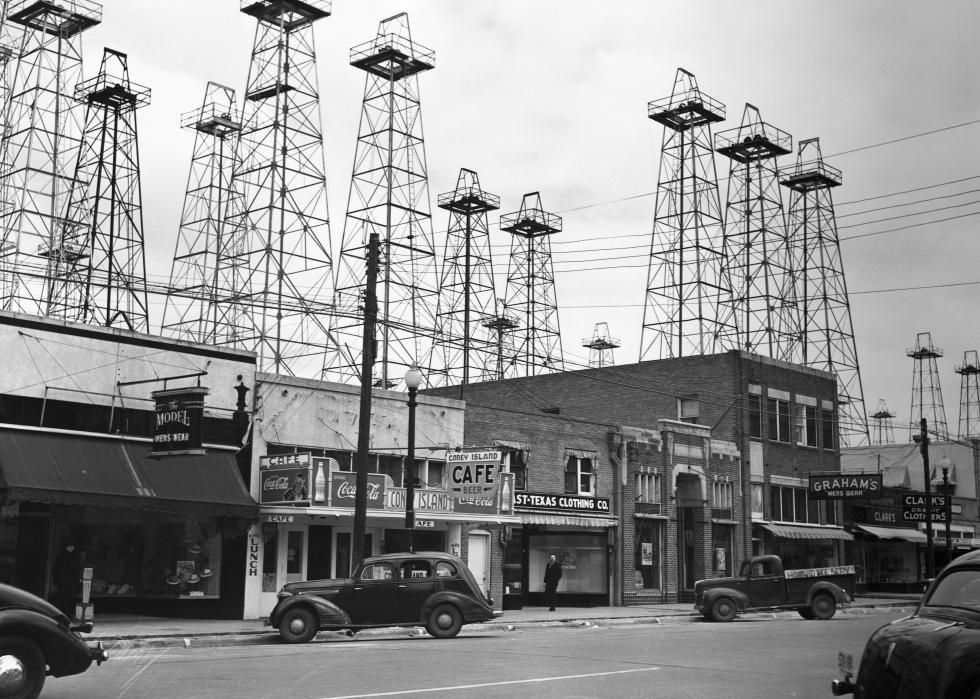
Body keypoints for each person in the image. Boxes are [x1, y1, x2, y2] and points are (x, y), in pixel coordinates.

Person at [51, 541, 82, 618]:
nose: (72, 548)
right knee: (64, 597)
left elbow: (55, 569)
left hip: (65, 581)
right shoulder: (67, 557)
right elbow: (73, 569)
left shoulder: (63, 556)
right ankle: (60, 613)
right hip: (66, 581)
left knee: (64, 597)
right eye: (70, 547)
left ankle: (60, 613)